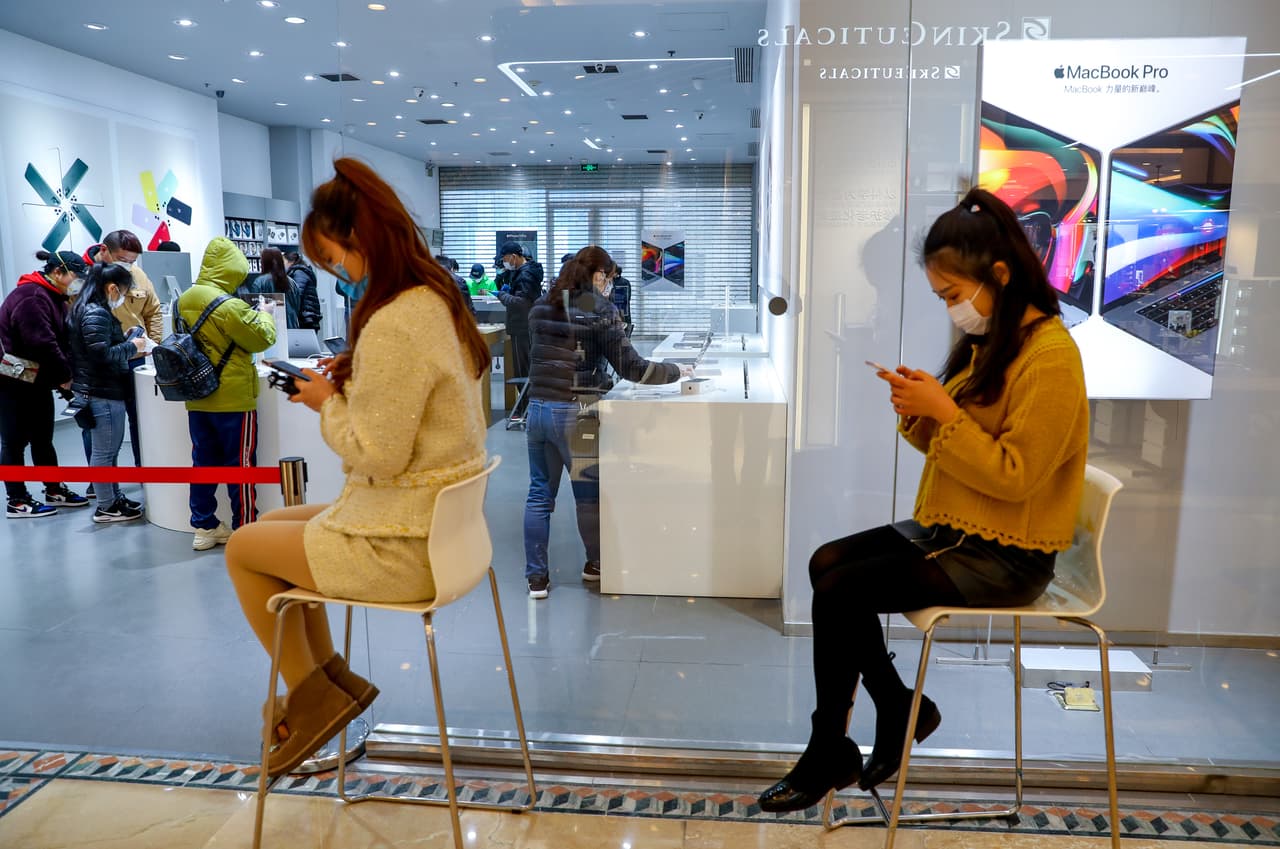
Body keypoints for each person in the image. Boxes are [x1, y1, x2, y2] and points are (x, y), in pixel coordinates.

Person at [756, 188, 1089, 812]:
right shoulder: (993, 341)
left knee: (839, 589)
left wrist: (944, 414)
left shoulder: (1050, 358)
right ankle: (899, 705)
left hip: (1005, 555)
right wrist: (922, 409)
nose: (951, 309)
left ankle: (835, 742)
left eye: (953, 295)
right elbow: (953, 445)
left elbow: (1016, 477)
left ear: (999, 274)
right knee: (826, 563)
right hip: (958, 529)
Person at [222, 157, 489, 777]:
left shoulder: (396, 320)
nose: (334, 271)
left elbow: (375, 453)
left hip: (403, 544)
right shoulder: (436, 300)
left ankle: (312, 695)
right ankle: (327, 685)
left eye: (332, 257)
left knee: (243, 550)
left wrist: (325, 402)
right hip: (437, 530)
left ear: (356, 240)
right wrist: (353, 382)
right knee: (283, 526)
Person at [522, 245, 689, 599]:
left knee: (539, 496)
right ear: (599, 275)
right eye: (610, 278)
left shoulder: (543, 304)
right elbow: (633, 368)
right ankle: (595, 565)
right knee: (587, 497)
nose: (610, 285)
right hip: (576, 412)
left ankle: (536, 579)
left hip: (537, 409)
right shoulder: (598, 309)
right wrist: (677, 371)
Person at [177, 237, 278, 551]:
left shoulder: (185, 299)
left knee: (203, 462)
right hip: (233, 396)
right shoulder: (229, 305)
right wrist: (265, 313)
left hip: (198, 395)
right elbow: (262, 338)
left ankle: (204, 526)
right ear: (233, 269)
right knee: (242, 466)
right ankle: (245, 528)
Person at [0, 250, 91, 517]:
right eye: (76, 276)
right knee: (14, 442)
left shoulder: (52, 295)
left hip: (36, 379)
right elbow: (43, 343)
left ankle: (53, 487)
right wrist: (65, 377)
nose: (79, 282)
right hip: (14, 380)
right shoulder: (31, 296)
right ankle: (16, 499)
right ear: (58, 272)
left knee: (43, 438)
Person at [67, 263, 150, 524]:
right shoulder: (96, 313)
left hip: (97, 388)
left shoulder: (87, 309)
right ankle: (106, 505)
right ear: (112, 288)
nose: (124, 298)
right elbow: (100, 355)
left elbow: (98, 346)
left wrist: (122, 339)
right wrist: (131, 346)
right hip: (101, 391)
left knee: (108, 450)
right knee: (104, 452)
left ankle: (112, 497)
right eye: (124, 291)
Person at [94, 230, 163, 470]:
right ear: (105, 251)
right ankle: (102, 483)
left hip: (137, 358)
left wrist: (152, 345)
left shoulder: (139, 276)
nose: (128, 266)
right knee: (101, 424)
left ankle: (142, 470)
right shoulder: (87, 278)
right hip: (103, 361)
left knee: (139, 418)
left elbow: (153, 312)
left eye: (132, 261)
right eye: (123, 259)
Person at [495, 241, 543, 382]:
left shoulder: (524, 275)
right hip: (527, 326)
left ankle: (525, 404)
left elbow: (522, 303)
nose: (504, 263)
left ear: (513, 257)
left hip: (522, 327)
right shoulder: (524, 273)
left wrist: (502, 295)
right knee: (526, 369)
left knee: (523, 372)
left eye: (504, 259)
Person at [237, 248, 300, 326]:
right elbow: (297, 306)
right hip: (291, 327)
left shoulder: (260, 282)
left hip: (270, 327)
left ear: (265, 262)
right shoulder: (292, 282)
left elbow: (255, 308)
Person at [285, 251, 323, 331]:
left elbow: (297, 294)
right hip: (308, 316)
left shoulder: (299, 273)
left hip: (306, 318)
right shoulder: (300, 271)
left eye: (284, 261)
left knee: (306, 342)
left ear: (291, 262)